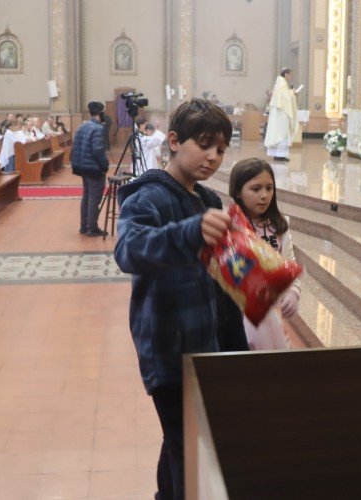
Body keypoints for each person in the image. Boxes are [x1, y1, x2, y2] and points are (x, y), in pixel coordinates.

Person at [114, 98, 246, 500]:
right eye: (204, 144)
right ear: (174, 141)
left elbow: (223, 278)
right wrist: (190, 233)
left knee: (181, 441)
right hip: (168, 349)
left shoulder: (208, 202)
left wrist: (237, 341)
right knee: (189, 451)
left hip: (205, 345)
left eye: (221, 149)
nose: (213, 156)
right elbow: (129, 251)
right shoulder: (147, 198)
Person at [228, 158, 301, 350]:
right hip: (235, 316)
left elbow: (290, 263)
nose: (264, 195)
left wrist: (293, 293)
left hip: (269, 316)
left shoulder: (279, 226)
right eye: (256, 189)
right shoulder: (229, 225)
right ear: (237, 191)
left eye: (269, 188)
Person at [71, 101, 109, 237]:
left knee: (86, 197)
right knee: (94, 198)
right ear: (100, 113)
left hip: (83, 168)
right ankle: (92, 228)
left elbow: (75, 147)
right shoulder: (98, 128)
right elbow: (98, 150)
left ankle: (84, 226)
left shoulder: (83, 126)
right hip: (94, 169)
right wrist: (105, 165)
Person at [264, 68, 299, 162]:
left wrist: (291, 93)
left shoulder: (280, 83)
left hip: (280, 114)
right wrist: (293, 93)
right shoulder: (282, 85)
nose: (291, 77)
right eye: (290, 74)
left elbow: (285, 97)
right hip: (282, 114)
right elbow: (285, 98)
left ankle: (278, 154)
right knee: (282, 133)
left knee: (280, 133)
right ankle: (280, 155)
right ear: (286, 74)